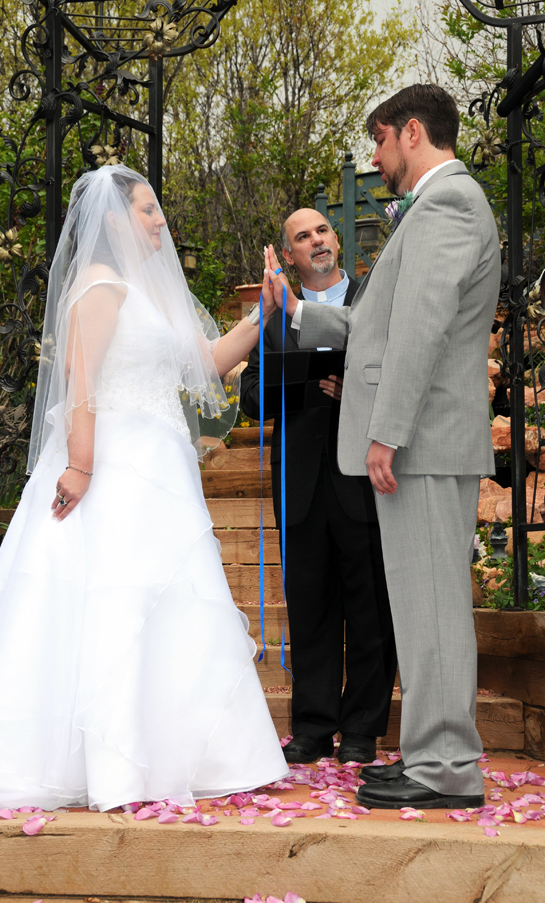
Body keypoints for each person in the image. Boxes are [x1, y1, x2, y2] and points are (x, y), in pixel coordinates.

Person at [0, 165, 288, 811]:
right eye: (148, 210)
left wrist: (263, 313)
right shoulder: (99, 284)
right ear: (113, 219)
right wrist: (80, 463)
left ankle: (177, 754)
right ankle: (89, 759)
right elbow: (81, 379)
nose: (160, 219)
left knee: (166, 605)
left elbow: (206, 361)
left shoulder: (152, 294)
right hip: (109, 462)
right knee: (103, 603)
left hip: (160, 464)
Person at [264, 84, 500, 809]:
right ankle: (435, 756)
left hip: (422, 441)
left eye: (379, 141)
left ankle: (446, 766)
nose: (375, 157)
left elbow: (421, 330)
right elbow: (375, 324)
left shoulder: (449, 204)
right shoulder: (437, 209)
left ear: (412, 133)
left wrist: (385, 432)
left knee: (430, 608)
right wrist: (297, 312)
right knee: (423, 606)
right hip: (423, 442)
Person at [240, 210, 396, 766]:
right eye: (302, 238)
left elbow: (395, 369)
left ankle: (362, 728)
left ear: (337, 238)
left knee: (371, 606)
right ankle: (312, 726)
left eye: (322, 231)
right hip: (300, 477)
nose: (316, 242)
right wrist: (304, 384)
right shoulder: (275, 313)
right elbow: (251, 397)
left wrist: (350, 385)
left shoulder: (373, 296)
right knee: (309, 607)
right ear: (290, 256)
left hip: (366, 474)